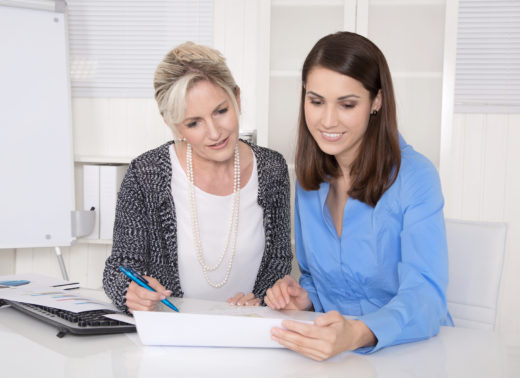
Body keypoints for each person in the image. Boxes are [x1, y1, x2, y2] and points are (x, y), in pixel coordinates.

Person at [264, 31, 453, 360]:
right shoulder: (310, 180)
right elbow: (314, 275)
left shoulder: (416, 177)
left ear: (376, 101)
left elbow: (425, 295)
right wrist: (303, 297)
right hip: (333, 355)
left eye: (347, 104)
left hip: (409, 353)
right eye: (316, 101)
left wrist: (357, 333)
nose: (327, 120)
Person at [103, 42, 292, 313]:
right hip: (173, 335)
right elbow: (119, 268)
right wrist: (128, 290)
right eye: (194, 123)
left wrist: (262, 299)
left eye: (221, 111)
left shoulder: (272, 169)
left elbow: (279, 262)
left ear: (237, 99)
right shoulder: (146, 175)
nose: (215, 132)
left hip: (248, 332)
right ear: (173, 123)